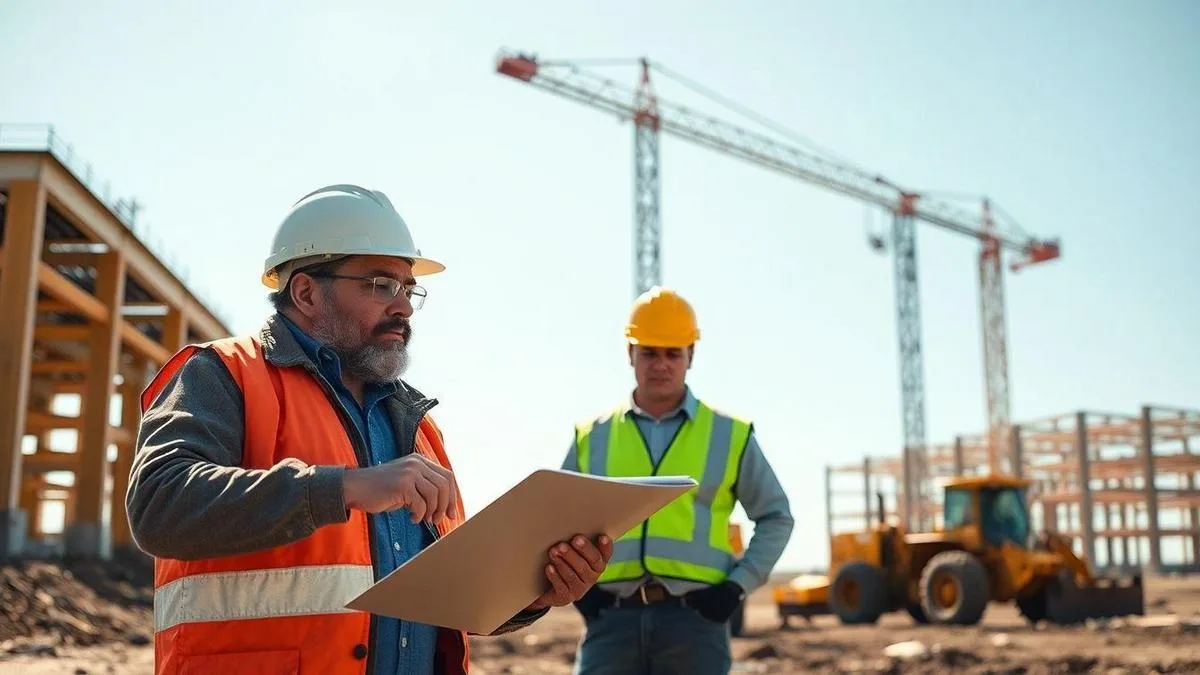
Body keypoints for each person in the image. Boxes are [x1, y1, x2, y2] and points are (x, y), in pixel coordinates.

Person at [126, 184, 613, 675]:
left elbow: (450, 599)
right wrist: (345, 486)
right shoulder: (223, 375)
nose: (402, 306)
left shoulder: (417, 426)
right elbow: (158, 505)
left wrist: (532, 593)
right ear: (306, 292)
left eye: (408, 289)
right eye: (381, 285)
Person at [561, 286, 794, 675]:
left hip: (696, 624)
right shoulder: (592, 436)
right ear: (630, 353)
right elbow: (556, 520)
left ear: (691, 356)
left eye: (673, 353)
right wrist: (580, 596)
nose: (661, 364)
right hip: (610, 620)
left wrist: (737, 588)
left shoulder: (729, 434)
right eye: (649, 352)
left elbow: (776, 516)